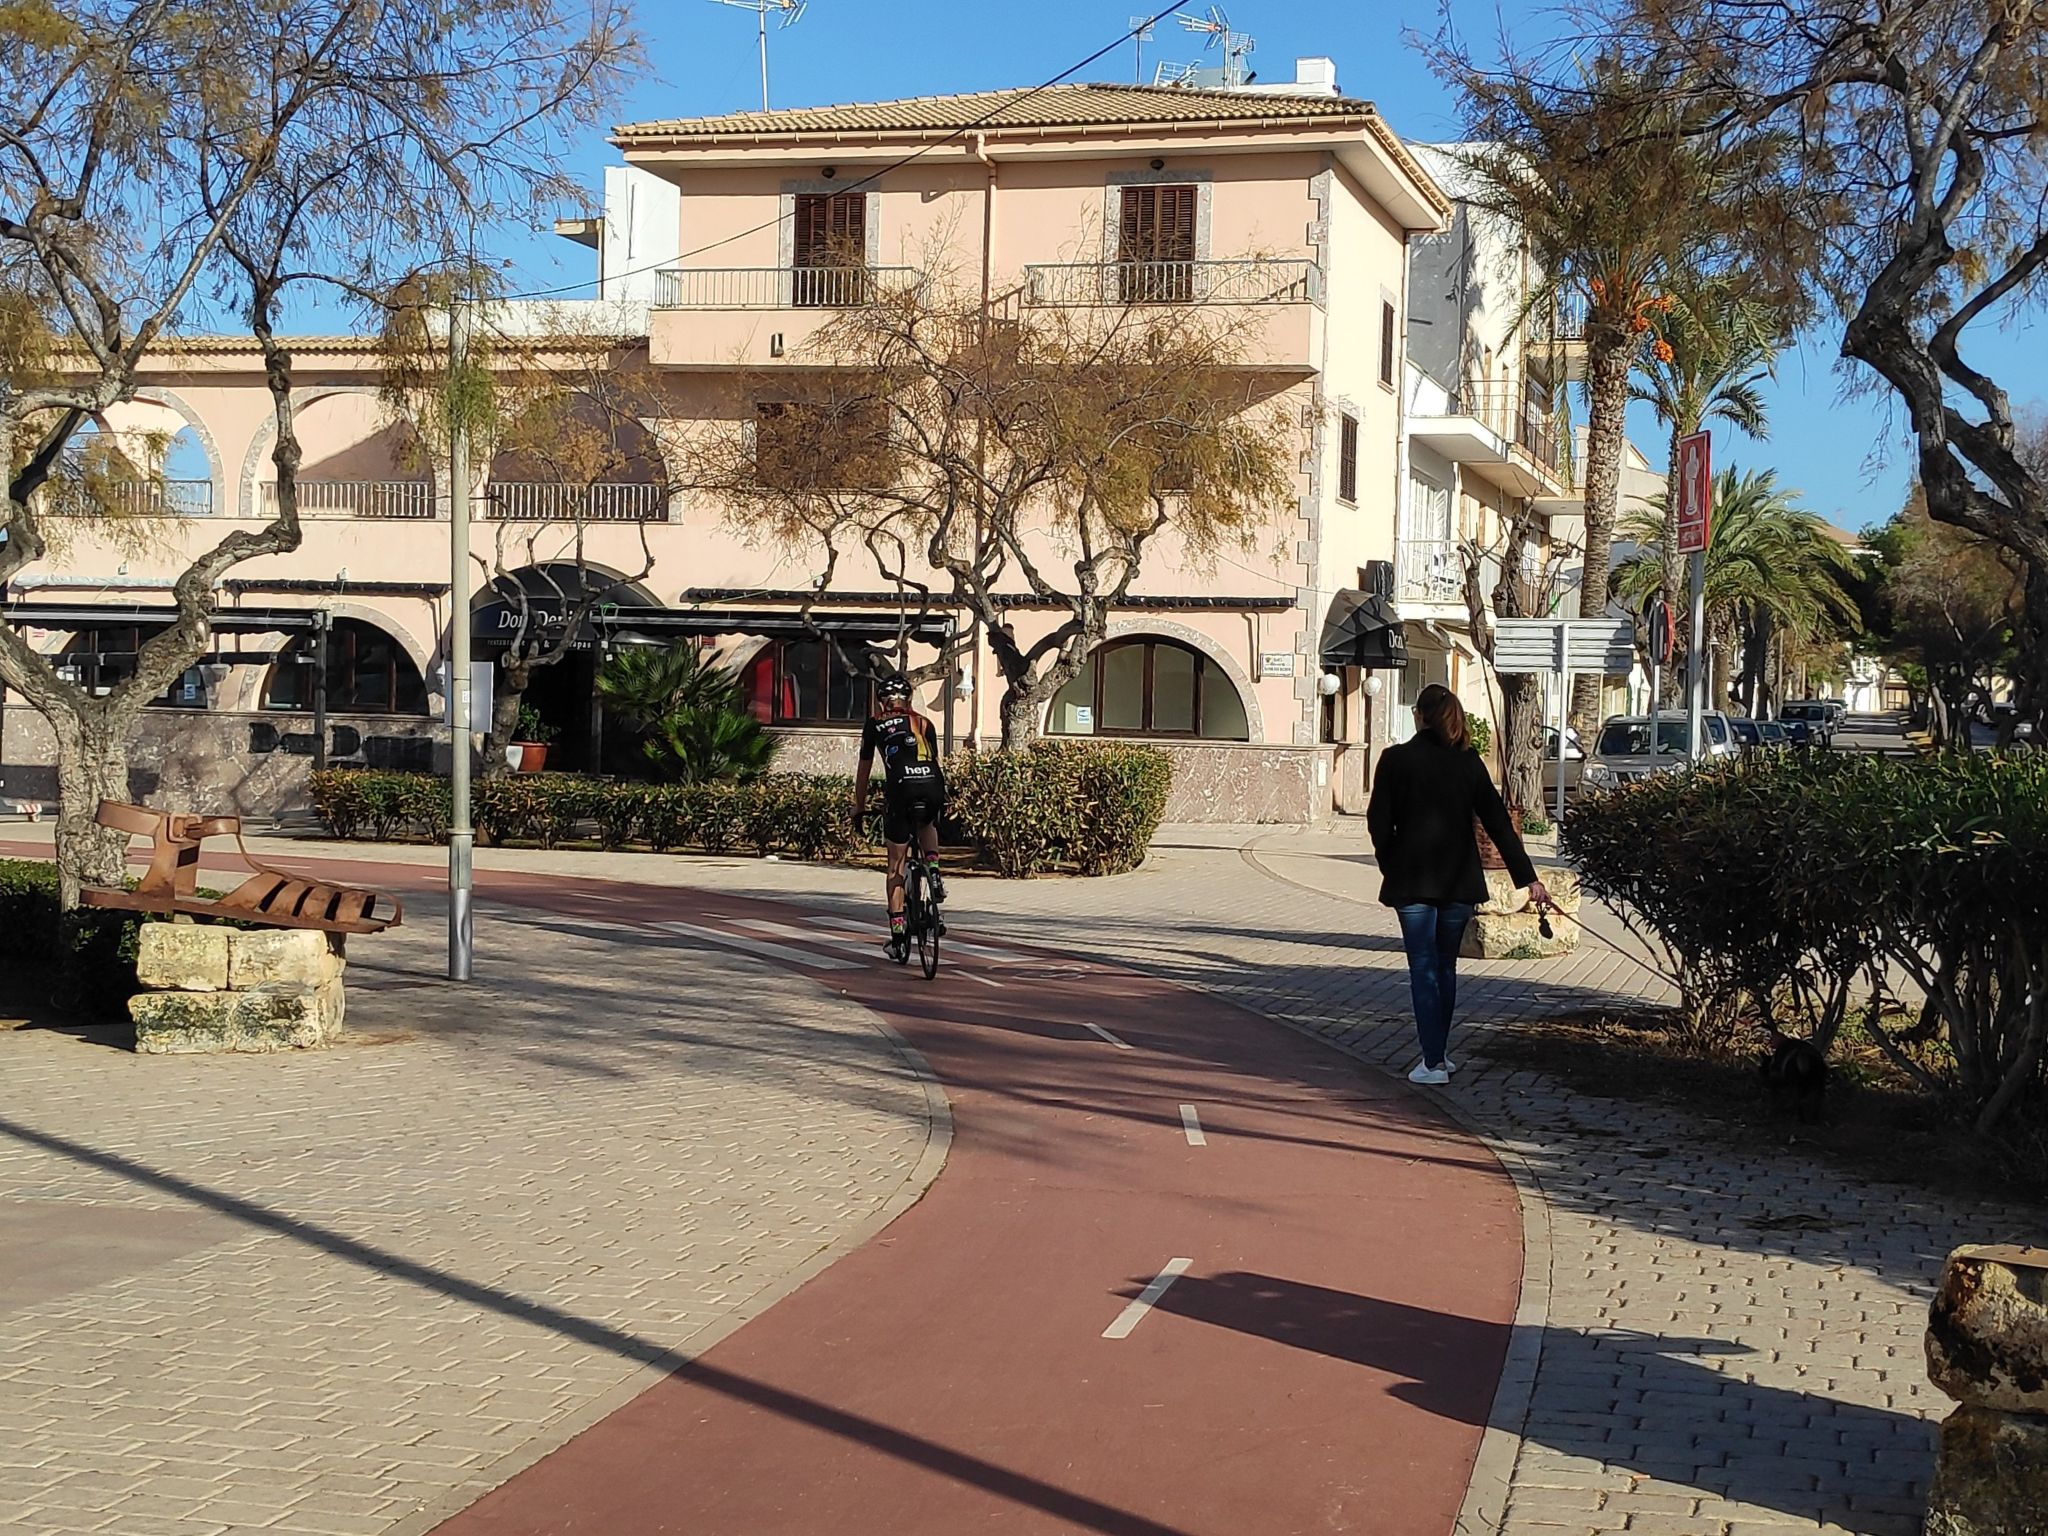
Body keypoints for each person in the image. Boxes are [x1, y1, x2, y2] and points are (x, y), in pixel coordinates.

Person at [1366, 683, 1551, 1086]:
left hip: (1412, 882)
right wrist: (1528, 878)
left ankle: (1432, 1062)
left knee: (1422, 968)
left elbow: (1378, 822)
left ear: (1419, 716)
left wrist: (1390, 864)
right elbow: (1498, 823)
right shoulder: (1469, 762)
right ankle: (1439, 1054)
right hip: (1458, 883)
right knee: (1444, 967)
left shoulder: (1395, 760)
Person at [852, 672, 947, 961]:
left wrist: (859, 806)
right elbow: (934, 761)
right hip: (932, 784)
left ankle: (897, 938)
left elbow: (864, 770)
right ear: (908, 699)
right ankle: (934, 870)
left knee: (896, 867)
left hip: (901, 788)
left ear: (883, 702)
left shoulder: (875, 724)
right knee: (927, 821)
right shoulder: (925, 722)